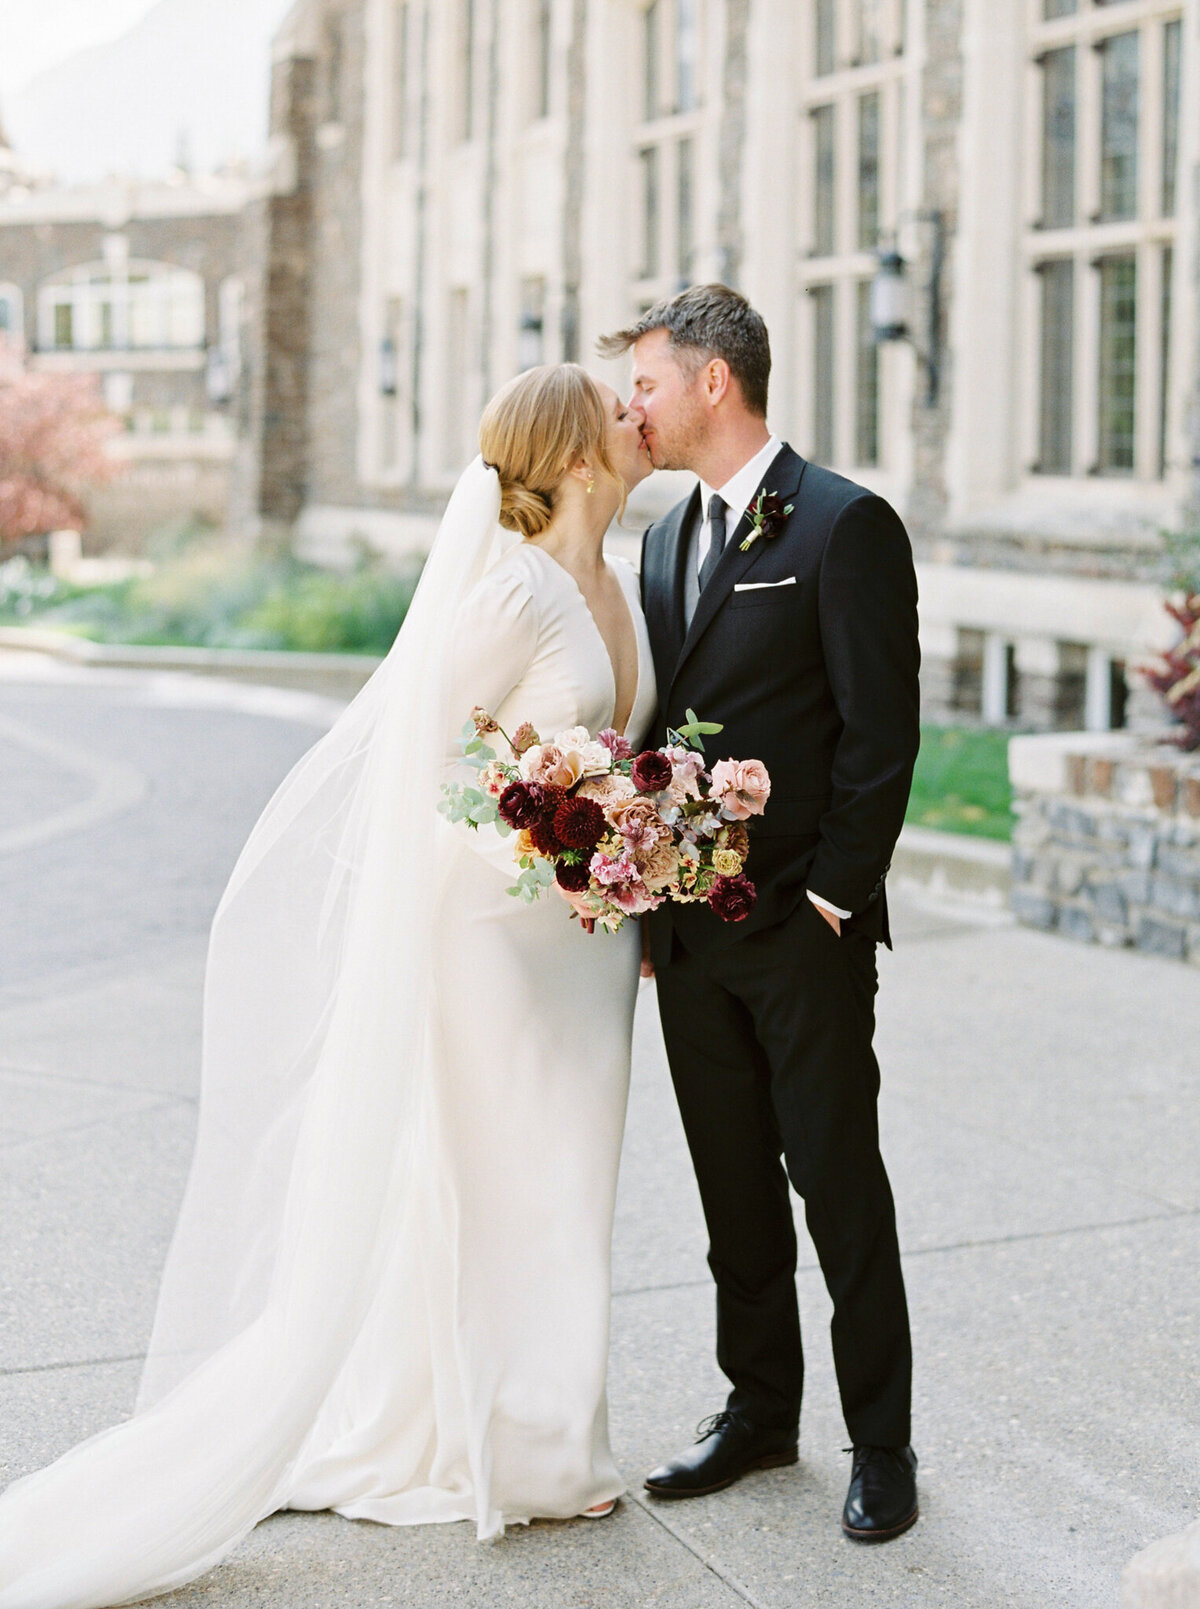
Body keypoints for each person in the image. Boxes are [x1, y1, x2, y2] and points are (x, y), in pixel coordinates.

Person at [0, 364, 656, 1608]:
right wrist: (540, 848)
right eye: (614, 416)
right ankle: (503, 1445)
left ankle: (548, 1429)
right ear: (573, 458)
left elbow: (611, 750)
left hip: (589, 947)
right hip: (498, 932)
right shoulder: (512, 587)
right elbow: (435, 749)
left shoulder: (611, 583)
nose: (637, 421)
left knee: (572, 1173)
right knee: (500, 1177)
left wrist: (634, 840)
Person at [598, 284, 922, 1543]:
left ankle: (882, 1443)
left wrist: (836, 898)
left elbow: (881, 738)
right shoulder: (667, 533)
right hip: (687, 938)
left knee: (838, 1186)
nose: (636, 404)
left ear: (712, 383)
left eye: (648, 382)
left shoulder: (847, 525)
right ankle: (759, 1411)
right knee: (731, 1185)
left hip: (805, 933)